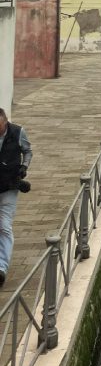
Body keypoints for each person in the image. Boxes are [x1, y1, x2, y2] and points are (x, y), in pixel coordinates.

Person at [0, 108, 33, 287]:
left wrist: (24, 167)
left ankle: (1, 268)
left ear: (6, 122)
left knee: (4, 226)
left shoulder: (18, 132)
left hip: (10, 187)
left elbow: (28, 151)